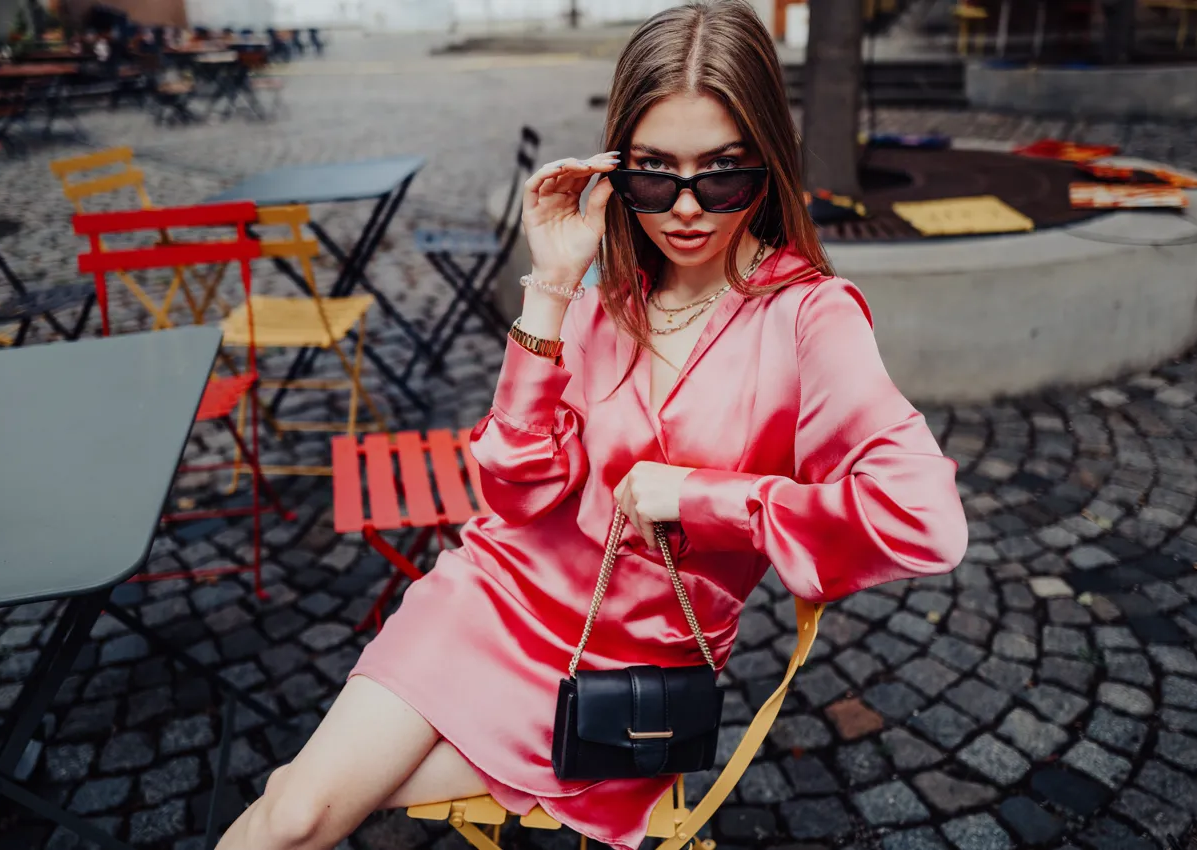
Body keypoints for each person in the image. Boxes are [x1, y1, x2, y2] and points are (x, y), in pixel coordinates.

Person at [215, 3, 967, 849]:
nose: (686, 209)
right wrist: (551, 286)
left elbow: (923, 521)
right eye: (653, 175)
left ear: (768, 165)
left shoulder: (808, 320)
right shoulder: (611, 296)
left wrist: (700, 496)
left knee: (301, 809)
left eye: (722, 174)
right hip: (495, 596)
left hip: (630, 681)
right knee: (293, 813)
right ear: (618, 167)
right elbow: (512, 490)